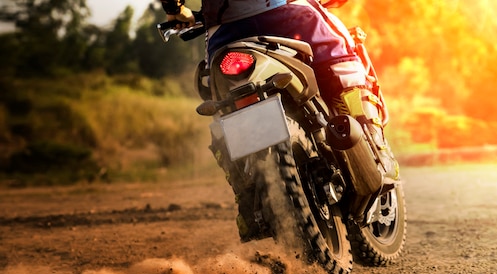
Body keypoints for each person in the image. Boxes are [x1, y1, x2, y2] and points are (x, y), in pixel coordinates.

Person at [159, 0, 398, 181]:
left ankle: (245, 191)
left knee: (224, 106)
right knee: (341, 55)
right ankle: (375, 141)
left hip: (225, 33)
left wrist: (177, 11)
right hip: (286, 13)